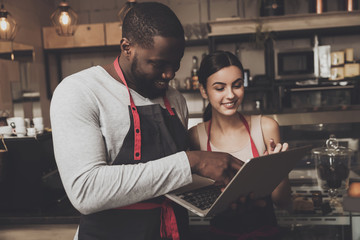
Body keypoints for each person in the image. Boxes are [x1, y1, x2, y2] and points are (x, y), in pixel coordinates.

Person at [50, 3, 243, 240]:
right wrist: (191, 161)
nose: (170, 74)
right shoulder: (80, 91)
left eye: (176, 63)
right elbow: (86, 190)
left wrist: (218, 189)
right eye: (159, 64)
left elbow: (171, 181)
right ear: (127, 48)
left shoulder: (175, 99)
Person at [188, 51, 292, 240]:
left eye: (237, 86)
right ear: (204, 90)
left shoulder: (266, 127)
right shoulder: (196, 136)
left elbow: (283, 202)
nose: (231, 95)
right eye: (220, 88)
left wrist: (279, 168)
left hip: (266, 235)